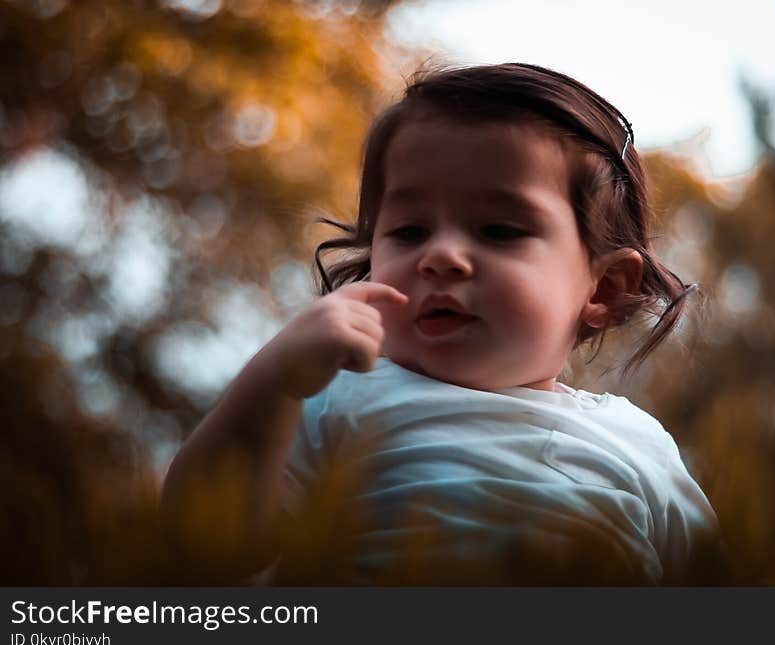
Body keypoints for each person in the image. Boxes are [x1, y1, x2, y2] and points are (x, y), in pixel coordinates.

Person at [161, 62, 718, 585]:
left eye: (499, 230)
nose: (442, 255)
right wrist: (274, 380)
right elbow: (207, 544)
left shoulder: (636, 444)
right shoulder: (340, 399)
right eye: (409, 231)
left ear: (603, 288)